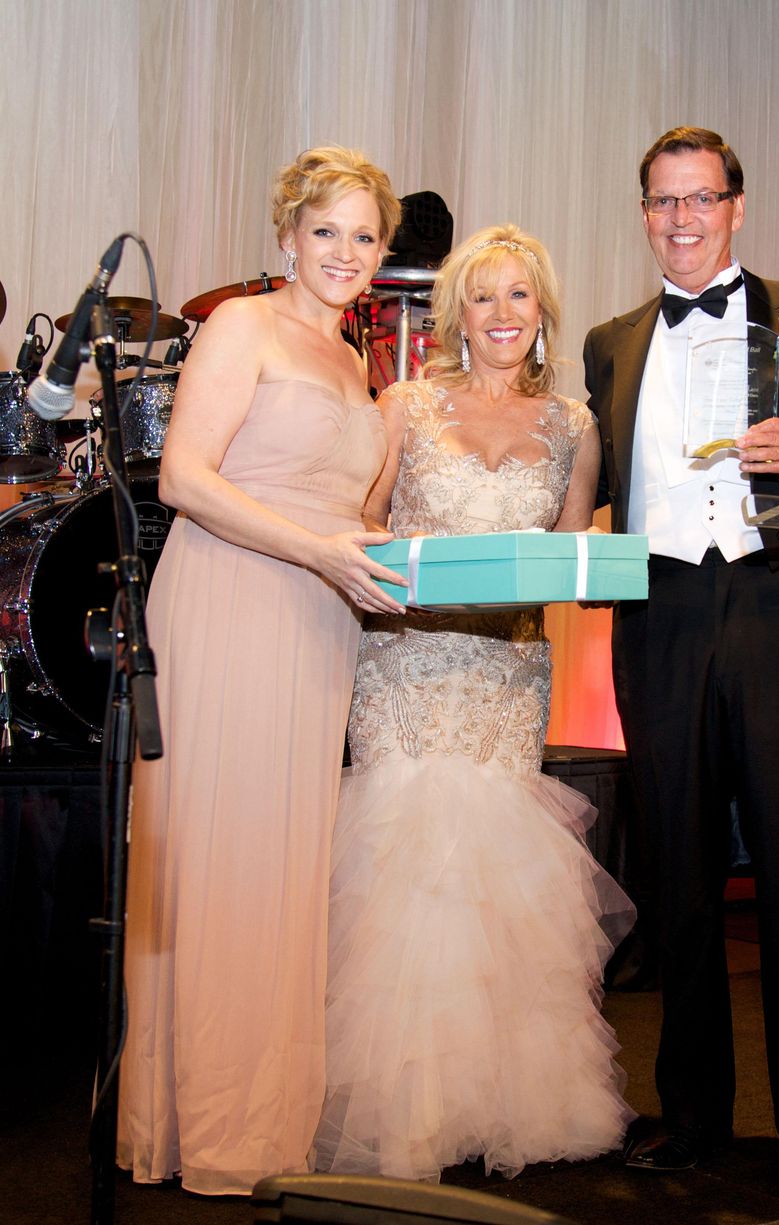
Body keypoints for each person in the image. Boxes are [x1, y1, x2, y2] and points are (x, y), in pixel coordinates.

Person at [583, 127, 779, 1198]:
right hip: (661, 612)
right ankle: (691, 1116)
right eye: (661, 202)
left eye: (700, 199)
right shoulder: (608, 341)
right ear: (641, 214)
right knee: (673, 864)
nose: (681, 219)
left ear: (734, 206)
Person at [310, 224, 636, 1182]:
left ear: (542, 313)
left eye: (519, 297)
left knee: (501, 881)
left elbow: (572, 555)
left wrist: (601, 575)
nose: (501, 315)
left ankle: (503, 1101)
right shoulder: (402, 403)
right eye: (483, 297)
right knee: (408, 871)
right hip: (409, 667)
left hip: (508, 673)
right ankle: (400, 1113)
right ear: (457, 312)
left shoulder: (576, 424)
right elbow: (358, 521)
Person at [116, 146, 408, 1196]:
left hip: (315, 621)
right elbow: (183, 478)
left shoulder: (354, 364)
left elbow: (351, 516)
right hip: (231, 600)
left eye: (362, 235)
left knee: (286, 867)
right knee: (225, 861)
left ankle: (266, 1123)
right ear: (285, 237)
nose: (343, 252)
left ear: (381, 254)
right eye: (323, 230)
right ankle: (209, 1129)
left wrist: (393, 551)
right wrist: (321, 549)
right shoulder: (242, 326)